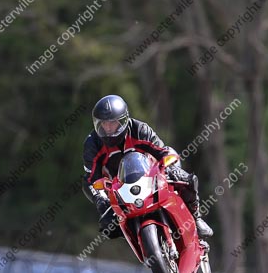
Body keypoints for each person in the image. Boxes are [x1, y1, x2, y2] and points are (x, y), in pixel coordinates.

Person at [82, 94, 213, 240]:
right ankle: (140, 244)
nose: (108, 128)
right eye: (103, 124)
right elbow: (90, 178)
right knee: (108, 225)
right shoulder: (92, 144)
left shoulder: (140, 129)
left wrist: (170, 167)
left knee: (186, 180)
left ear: (123, 120)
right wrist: (101, 200)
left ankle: (196, 218)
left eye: (112, 123)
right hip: (120, 191)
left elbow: (162, 151)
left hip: (151, 179)